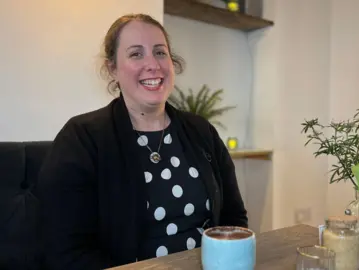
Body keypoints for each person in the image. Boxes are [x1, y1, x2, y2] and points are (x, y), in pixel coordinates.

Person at [37, 13, 248, 270]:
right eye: (136, 54)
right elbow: (67, 251)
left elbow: (233, 220)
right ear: (112, 68)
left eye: (160, 52)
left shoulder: (201, 131)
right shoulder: (81, 138)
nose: (153, 65)